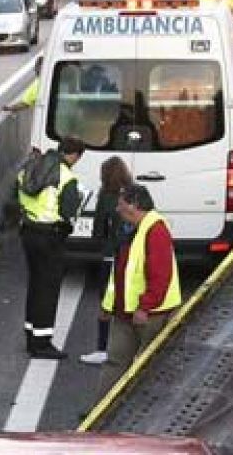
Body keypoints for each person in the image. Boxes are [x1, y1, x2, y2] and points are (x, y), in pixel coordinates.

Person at [98, 183, 182, 398]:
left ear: (134, 205)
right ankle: (99, 412)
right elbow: (120, 274)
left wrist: (145, 307)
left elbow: (160, 276)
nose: (117, 209)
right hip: (126, 312)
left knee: (148, 369)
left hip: (149, 314)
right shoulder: (131, 230)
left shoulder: (156, 231)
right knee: (116, 362)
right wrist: (109, 306)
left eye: (121, 204)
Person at [15, 139, 86, 358]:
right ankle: (42, 344)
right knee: (48, 289)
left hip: (28, 231)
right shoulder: (66, 177)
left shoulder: (31, 165)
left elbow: (18, 191)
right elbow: (68, 212)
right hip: (50, 236)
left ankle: (31, 335)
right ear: (73, 155)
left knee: (35, 284)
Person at [81, 155, 135, 365]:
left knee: (106, 304)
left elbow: (98, 229)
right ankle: (132, 350)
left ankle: (102, 348)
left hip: (111, 255)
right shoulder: (135, 193)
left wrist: (101, 243)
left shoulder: (106, 196)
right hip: (132, 255)